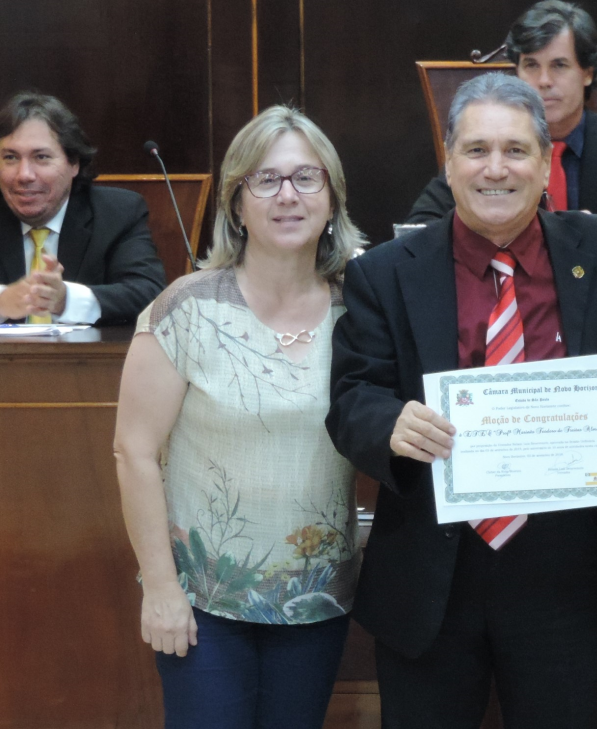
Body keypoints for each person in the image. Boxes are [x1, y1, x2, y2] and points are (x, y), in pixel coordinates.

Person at [328, 72, 597, 729]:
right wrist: (390, 422)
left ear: (545, 163)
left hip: (565, 572)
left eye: (515, 150)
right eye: (476, 150)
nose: (495, 169)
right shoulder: (384, 271)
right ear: (447, 163)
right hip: (430, 577)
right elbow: (350, 396)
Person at [114, 105, 366, 729]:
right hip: (203, 601)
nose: (288, 196)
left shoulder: (362, 310)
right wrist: (162, 588)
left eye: (307, 178)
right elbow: (134, 453)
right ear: (236, 202)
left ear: (331, 200)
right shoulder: (188, 309)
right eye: (266, 179)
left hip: (316, 602)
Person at [405, 0, 597, 254]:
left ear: (587, 72)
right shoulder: (484, 147)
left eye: (559, 65)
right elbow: (419, 227)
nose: (543, 81)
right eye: (531, 65)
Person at [0, 92, 165, 323]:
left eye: (41, 157)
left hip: (88, 359)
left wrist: (65, 300)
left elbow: (149, 295)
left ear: (74, 163)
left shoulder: (117, 213)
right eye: (10, 157)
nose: (24, 175)